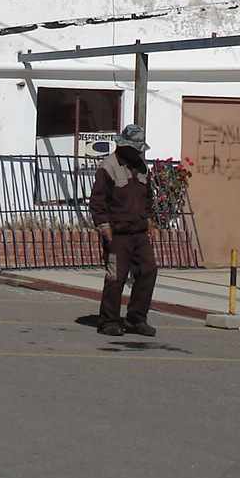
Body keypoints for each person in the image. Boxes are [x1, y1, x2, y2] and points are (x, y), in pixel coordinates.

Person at [88, 123, 159, 337]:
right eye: (134, 148)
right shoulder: (108, 166)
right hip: (117, 233)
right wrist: (104, 227)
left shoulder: (141, 166)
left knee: (148, 271)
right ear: (124, 146)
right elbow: (97, 202)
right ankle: (109, 320)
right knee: (115, 277)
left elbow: (147, 196)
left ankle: (136, 319)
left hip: (139, 232)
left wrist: (149, 220)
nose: (137, 152)